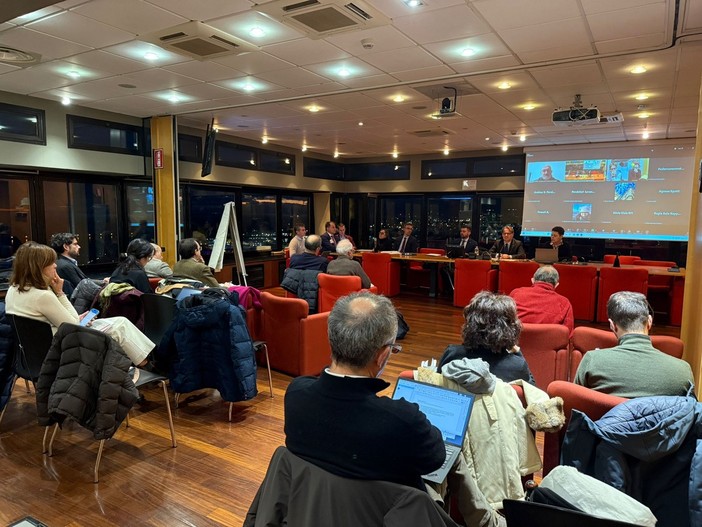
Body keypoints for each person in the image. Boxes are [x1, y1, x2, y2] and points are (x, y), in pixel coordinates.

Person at [284, 292, 443, 489]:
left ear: (331, 339)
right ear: (383, 355)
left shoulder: (296, 394)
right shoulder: (404, 420)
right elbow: (436, 459)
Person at [5, 242, 154, 366]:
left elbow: (58, 321)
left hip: (33, 353)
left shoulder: (14, 290)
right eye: (51, 263)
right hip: (64, 350)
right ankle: (145, 364)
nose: (55, 266)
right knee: (119, 327)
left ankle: (143, 362)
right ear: (38, 268)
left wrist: (77, 318)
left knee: (120, 322)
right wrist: (60, 293)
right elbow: (73, 324)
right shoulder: (42, 296)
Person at [574, 291, 693, 397]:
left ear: (612, 325)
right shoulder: (683, 371)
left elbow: (576, 408)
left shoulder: (592, 361)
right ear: (649, 322)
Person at [438, 291, 534, 384]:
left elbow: (437, 384)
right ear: (512, 328)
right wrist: (518, 352)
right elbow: (531, 392)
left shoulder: (452, 354)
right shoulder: (517, 366)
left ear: (469, 325)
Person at [509, 266, 574, 334]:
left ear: (532, 280)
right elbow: (568, 334)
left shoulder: (516, 293)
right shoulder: (564, 303)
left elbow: (503, 321)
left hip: (516, 342)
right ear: (556, 285)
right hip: (551, 343)